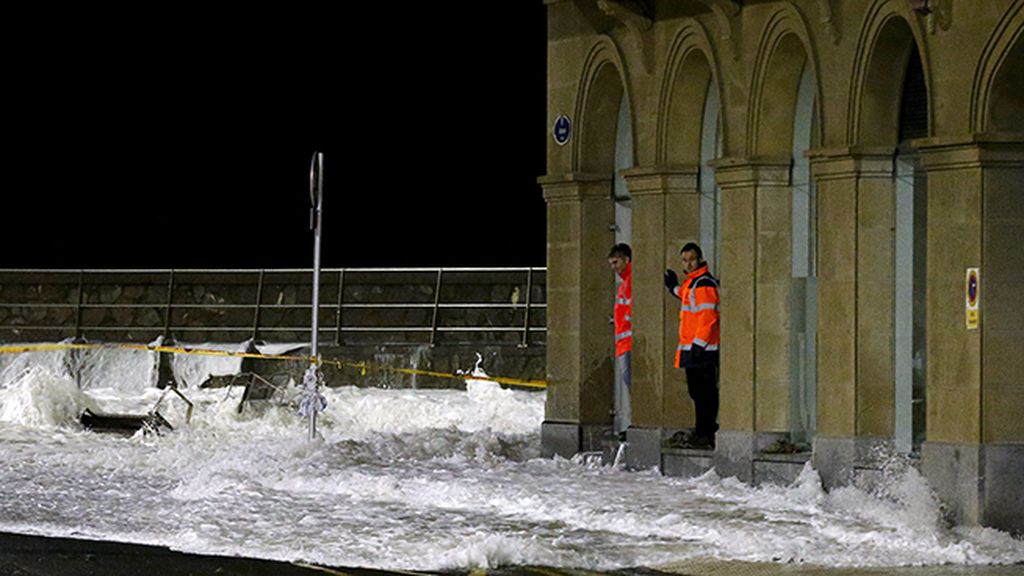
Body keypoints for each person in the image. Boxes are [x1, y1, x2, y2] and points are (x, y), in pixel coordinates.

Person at [663, 242, 719, 449]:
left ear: (700, 260)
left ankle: (706, 432)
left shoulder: (703, 284)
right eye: (685, 260)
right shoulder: (694, 284)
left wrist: (698, 345)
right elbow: (685, 294)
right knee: (697, 392)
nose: (688, 264)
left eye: (692, 260)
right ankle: (703, 430)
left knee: (704, 393)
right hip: (695, 348)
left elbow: (708, 317)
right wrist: (673, 288)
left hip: (701, 349)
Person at [608, 243, 632, 440]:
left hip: (629, 344)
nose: (613, 267)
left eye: (616, 262)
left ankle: (634, 427)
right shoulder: (626, 283)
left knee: (633, 385)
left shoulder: (630, 282)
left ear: (626, 260)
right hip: (624, 345)